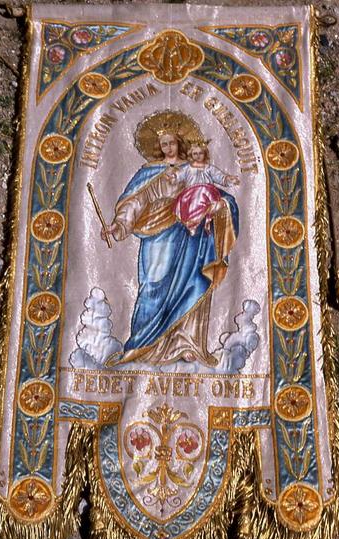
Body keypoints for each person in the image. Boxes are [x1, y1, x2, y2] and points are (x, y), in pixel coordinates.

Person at [102, 121, 239, 367]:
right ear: (158, 147)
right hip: (157, 232)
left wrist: (221, 206)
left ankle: (185, 343)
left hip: (189, 233)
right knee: (153, 284)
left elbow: (212, 193)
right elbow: (135, 201)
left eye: (172, 142)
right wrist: (118, 226)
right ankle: (143, 345)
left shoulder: (195, 168)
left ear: (179, 143)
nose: (168, 147)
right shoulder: (149, 172)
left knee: (191, 282)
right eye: (163, 144)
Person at [171, 141, 240, 235]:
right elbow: (178, 177)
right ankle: (192, 223)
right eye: (195, 153)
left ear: (205, 154)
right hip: (191, 194)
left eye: (200, 153)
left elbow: (220, 178)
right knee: (192, 204)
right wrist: (173, 177)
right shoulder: (187, 168)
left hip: (207, 193)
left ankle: (196, 222)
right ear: (191, 155)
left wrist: (229, 179)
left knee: (203, 195)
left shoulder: (209, 168)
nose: (198, 156)